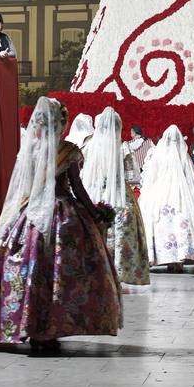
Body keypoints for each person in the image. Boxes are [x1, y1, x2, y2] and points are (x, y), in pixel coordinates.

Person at [0, 97, 122, 353]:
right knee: (61, 273)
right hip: (64, 215)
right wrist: (94, 213)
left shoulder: (30, 149)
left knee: (27, 269)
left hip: (29, 214)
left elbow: (22, 187)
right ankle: (51, 327)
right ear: (60, 123)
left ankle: (21, 322)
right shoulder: (68, 151)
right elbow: (77, 187)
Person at [139, 124, 194, 272]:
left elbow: (150, 177)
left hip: (159, 193)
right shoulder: (183, 154)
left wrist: (147, 195)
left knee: (158, 223)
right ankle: (178, 258)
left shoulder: (159, 153)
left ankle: (158, 255)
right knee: (180, 222)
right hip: (182, 192)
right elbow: (191, 177)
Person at [81, 107, 150, 287]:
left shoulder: (89, 146)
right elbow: (131, 175)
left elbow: (82, 170)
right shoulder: (123, 147)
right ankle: (120, 270)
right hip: (119, 196)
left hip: (94, 195)